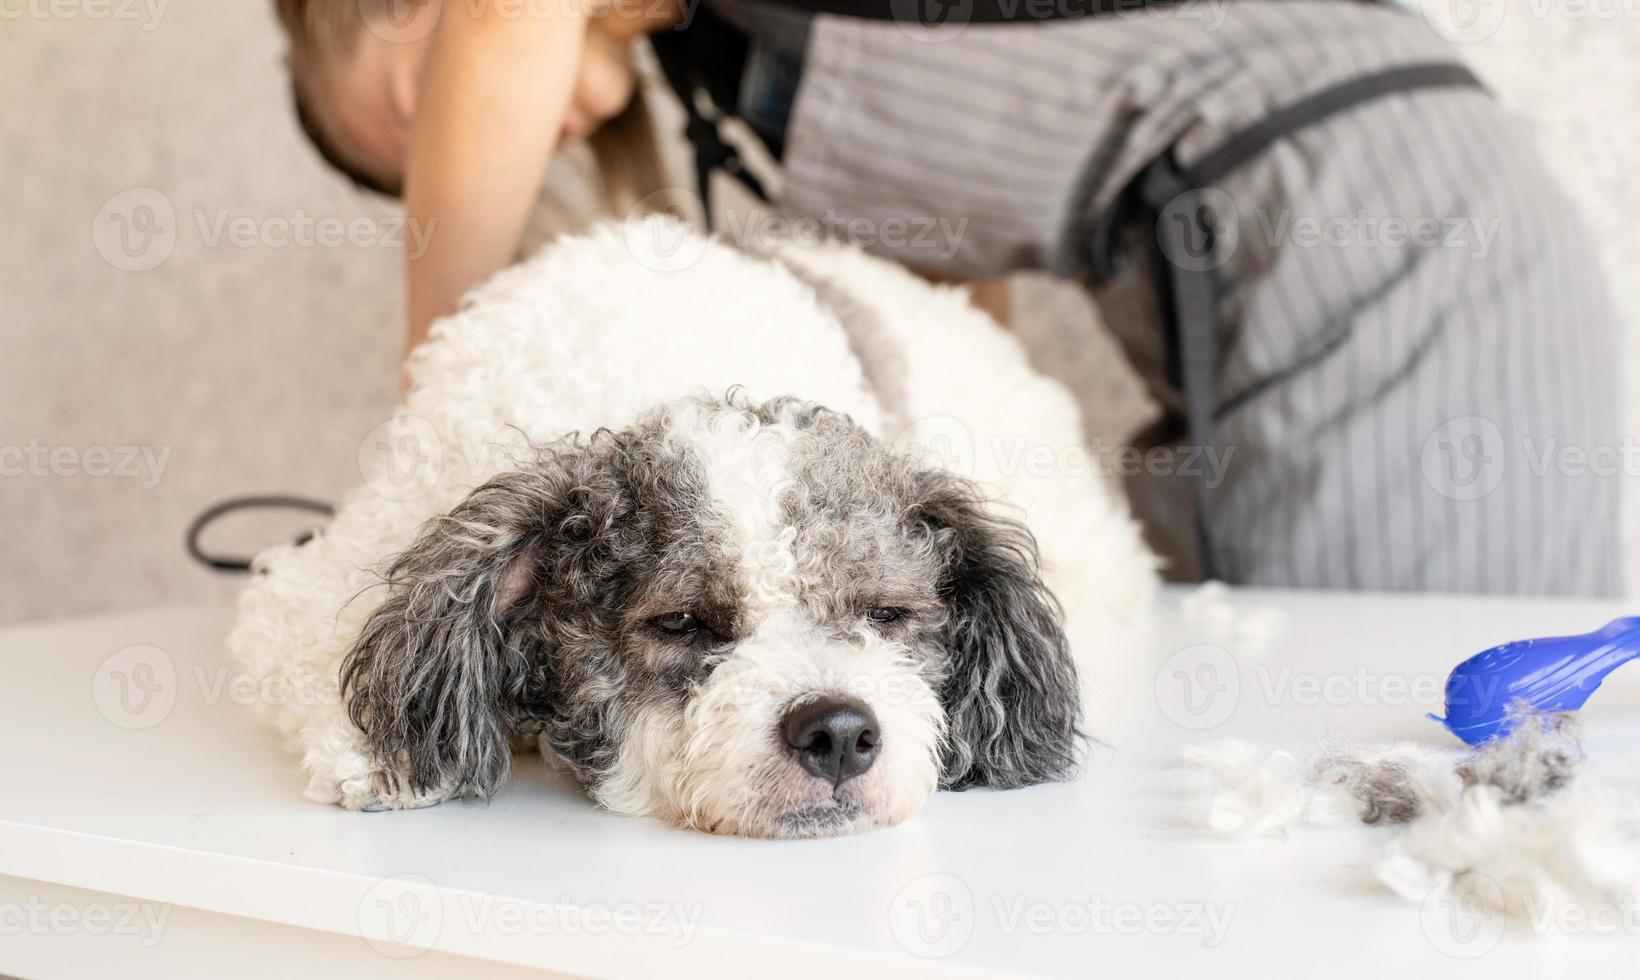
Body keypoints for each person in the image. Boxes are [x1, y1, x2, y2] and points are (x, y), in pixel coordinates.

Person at [272, 0, 1623, 596]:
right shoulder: (735, 60)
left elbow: (504, 12)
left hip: (1394, 237)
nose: (499, 147)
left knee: (1401, 779)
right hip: (1292, 243)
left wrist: (433, 408)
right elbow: (941, 270)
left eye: (420, 107)